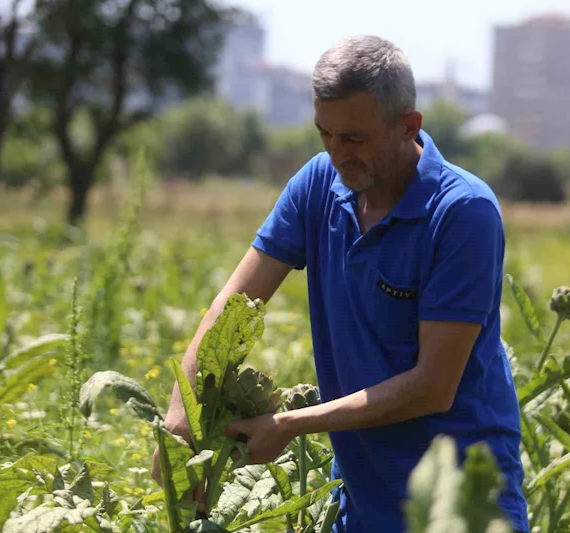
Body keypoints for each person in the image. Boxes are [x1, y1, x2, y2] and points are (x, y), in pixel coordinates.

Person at [152, 35, 529, 533]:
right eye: (324, 133)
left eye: (354, 139)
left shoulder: (463, 212)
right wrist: (181, 414)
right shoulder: (317, 185)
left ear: (408, 126)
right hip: (359, 496)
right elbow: (238, 300)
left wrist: (288, 426)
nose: (336, 153)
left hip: (459, 500)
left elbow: (432, 387)